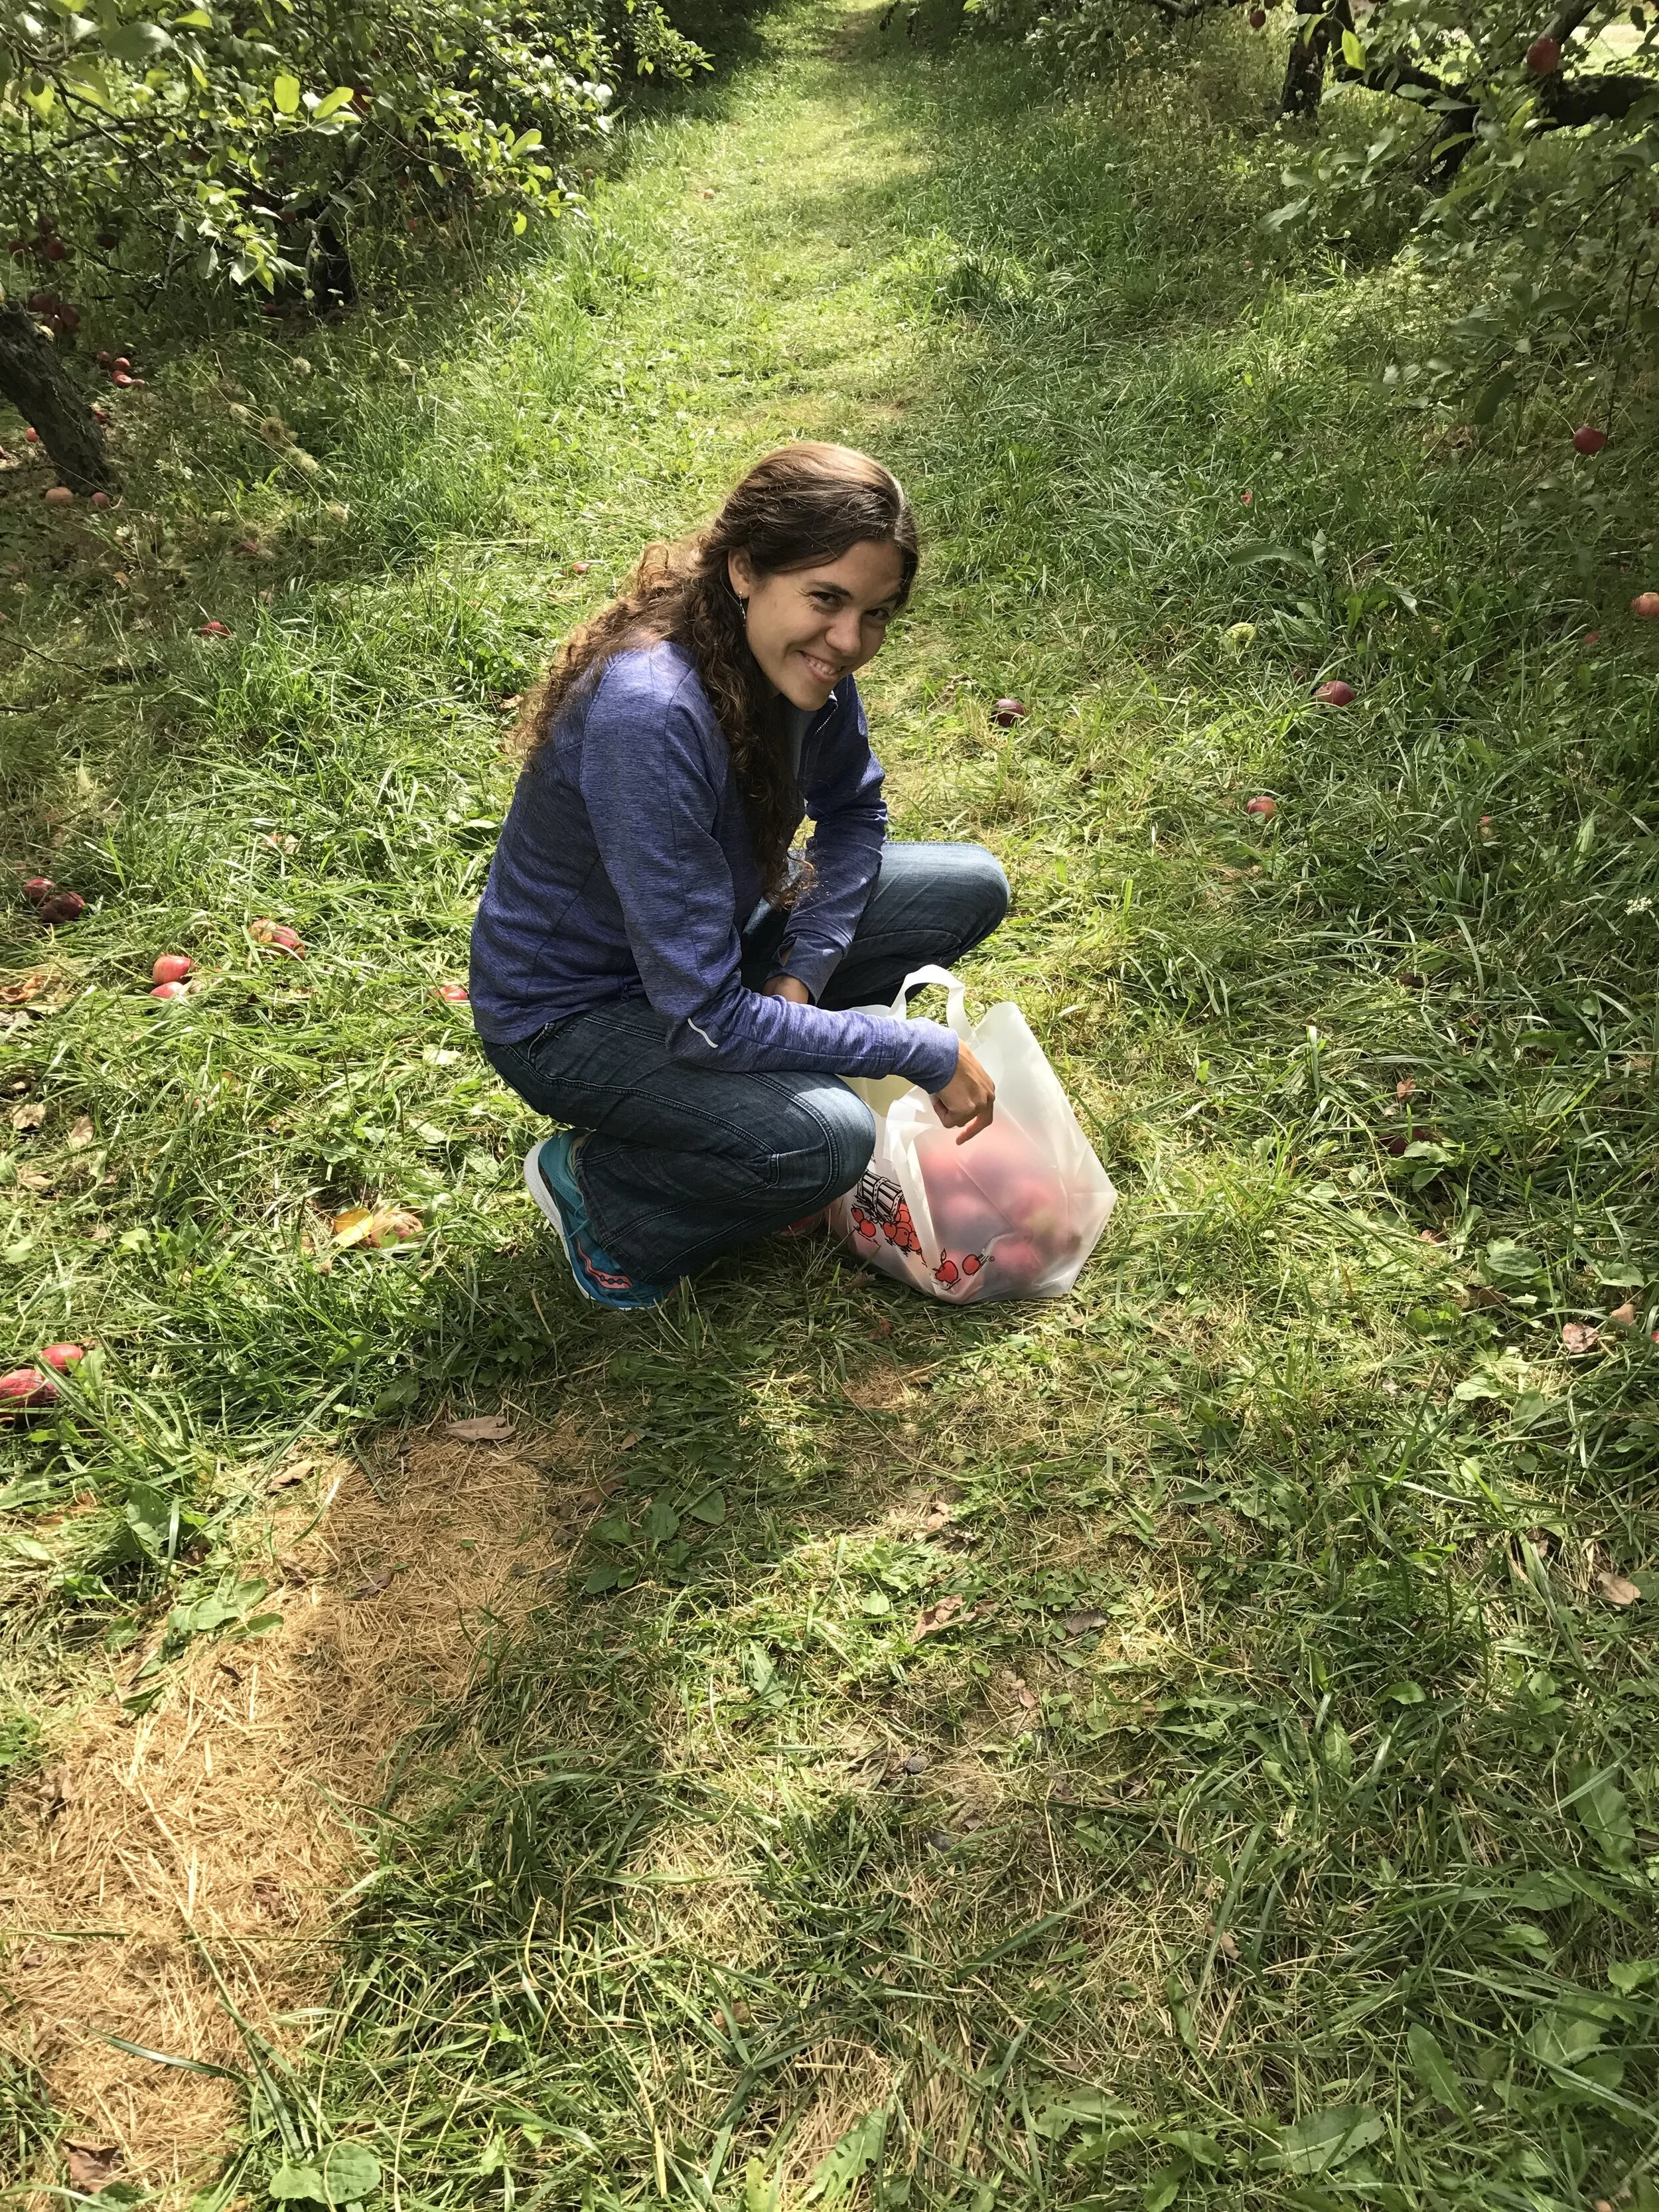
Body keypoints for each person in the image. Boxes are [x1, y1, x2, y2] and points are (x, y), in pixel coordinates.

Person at [469, 441, 1009, 1310]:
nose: (850, 641)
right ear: (746, 569)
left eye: (876, 614)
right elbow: (706, 1018)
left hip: (706, 942)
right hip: (572, 1017)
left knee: (969, 885)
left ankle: (761, 1084)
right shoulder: (651, 714)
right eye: (826, 599)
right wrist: (917, 1050)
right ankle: (606, 1196)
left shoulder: (803, 668)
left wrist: (801, 974)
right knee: (826, 1140)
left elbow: (854, 814)